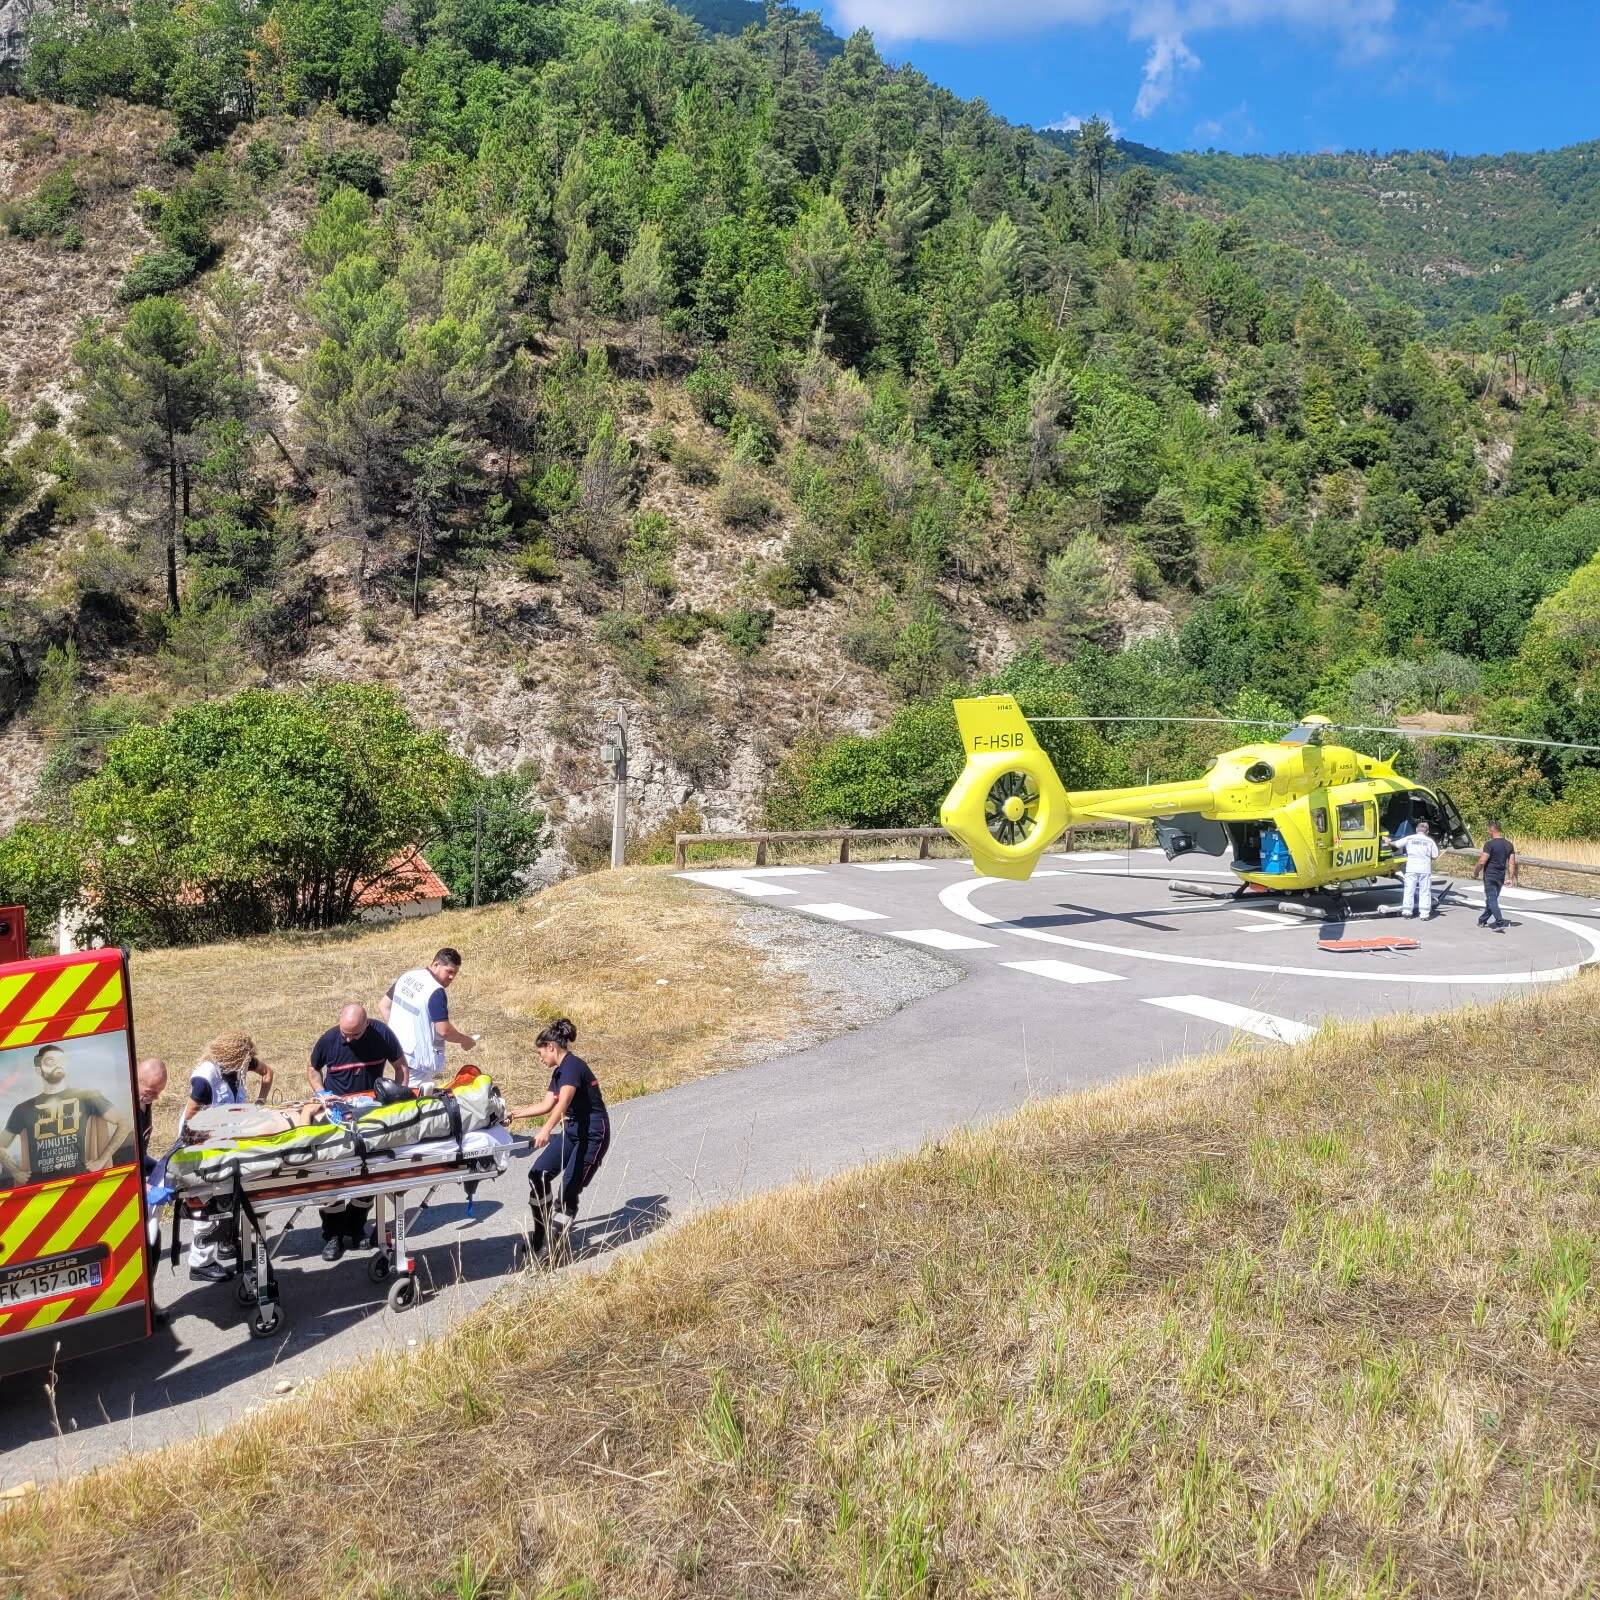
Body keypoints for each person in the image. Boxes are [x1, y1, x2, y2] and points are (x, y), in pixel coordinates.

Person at [306, 1004, 407, 1260]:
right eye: (345, 1034)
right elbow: (312, 1069)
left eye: (354, 1035)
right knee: (333, 1176)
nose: (348, 1040)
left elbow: (401, 1067)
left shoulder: (382, 1034)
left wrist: (397, 1098)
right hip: (337, 1115)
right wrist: (322, 1094)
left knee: (368, 1173)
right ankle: (332, 1235)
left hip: (370, 1112)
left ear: (367, 1025)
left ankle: (356, 1227)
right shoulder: (329, 1040)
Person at [507, 1020, 611, 1259]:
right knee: (538, 1174)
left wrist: (545, 1130)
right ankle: (540, 1235)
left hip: (593, 1134)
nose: (539, 1058)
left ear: (551, 1047)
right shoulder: (559, 1071)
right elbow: (547, 1104)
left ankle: (552, 1248)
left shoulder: (573, 1067)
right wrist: (514, 1114)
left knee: (567, 1192)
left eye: (540, 1052)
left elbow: (563, 1102)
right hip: (572, 1131)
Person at [180, 1033, 275, 1282]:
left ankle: (227, 1242)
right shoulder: (205, 1077)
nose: (248, 1065)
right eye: (245, 1061)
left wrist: (258, 1105)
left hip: (227, 1142)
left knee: (233, 1196)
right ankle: (200, 1263)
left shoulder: (240, 1065)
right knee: (207, 1204)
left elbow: (268, 1073)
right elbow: (190, 1120)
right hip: (200, 1145)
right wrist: (215, 1133)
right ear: (232, 1057)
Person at [0, 1044, 128, 1186]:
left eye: (61, 1060)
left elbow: (124, 1124)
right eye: (50, 1061)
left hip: (81, 1182)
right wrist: (15, 1171)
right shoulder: (23, 1109)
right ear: (38, 1070)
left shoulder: (87, 1096)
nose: (58, 1065)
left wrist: (101, 1161)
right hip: (39, 1187)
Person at [378, 948, 476, 1093]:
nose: (451, 977)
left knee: (400, 1095)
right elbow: (444, 1030)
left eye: (455, 973)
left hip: (396, 1052)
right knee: (414, 1104)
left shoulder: (407, 976)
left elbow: (383, 1006)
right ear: (436, 964)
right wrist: (465, 1040)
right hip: (417, 1062)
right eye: (448, 971)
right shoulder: (435, 991)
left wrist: (397, 1036)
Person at [1474, 821, 1519, 932]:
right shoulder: (1509, 844)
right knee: (1492, 899)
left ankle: (1499, 922)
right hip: (1500, 875)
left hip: (1490, 874)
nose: (1487, 831)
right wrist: (1511, 877)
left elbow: (1482, 861)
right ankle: (1482, 920)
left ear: (1492, 830)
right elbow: (1512, 863)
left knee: (1492, 899)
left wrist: (1476, 872)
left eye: (1488, 830)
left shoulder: (1489, 844)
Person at [1399, 819, 1440, 919]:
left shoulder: (1409, 838)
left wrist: (1388, 841)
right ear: (1427, 831)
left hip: (1411, 868)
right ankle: (1424, 914)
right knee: (1425, 891)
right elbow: (1435, 855)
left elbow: (1396, 844)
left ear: (1417, 829)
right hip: (1424, 869)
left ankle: (1407, 912)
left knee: (1409, 890)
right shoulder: (1430, 841)